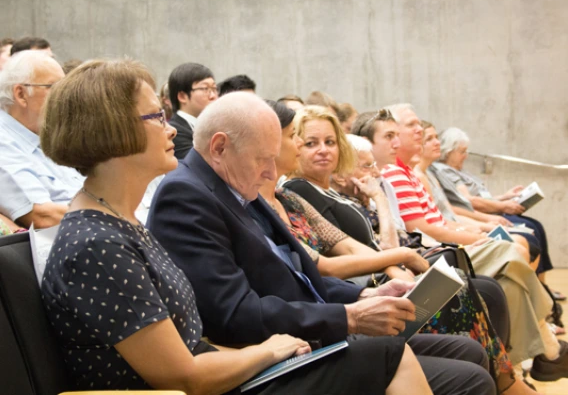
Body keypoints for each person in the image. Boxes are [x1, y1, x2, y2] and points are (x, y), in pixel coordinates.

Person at [40, 58, 423, 395]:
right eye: (156, 116)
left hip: (227, 373)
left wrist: (282, 347)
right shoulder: (97, 244)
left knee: (403, 355)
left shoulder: (118, 225)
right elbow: (186, 377)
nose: (172, 128)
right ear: (112, 130)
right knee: (390, 355)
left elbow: (192, 344)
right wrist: (268, 350)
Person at [148, 92, 497, 395]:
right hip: (281, 353)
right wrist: (349, 317)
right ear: (220, 147)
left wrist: (362, 296)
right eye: (263, 158)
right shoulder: (187, 195)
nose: (272, 172)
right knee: (467, 379)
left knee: (469, 352)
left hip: (315, 330)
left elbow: (298, 275)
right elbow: (235, 314)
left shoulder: (233, 182)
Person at [379, 103, 568, 379]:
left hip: (436, 246)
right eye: (410, 127)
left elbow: (445, 219)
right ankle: (546, 326)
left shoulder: (410, 173)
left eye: (424, 128)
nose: (420, 132)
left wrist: (479, 232)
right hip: (432, 252)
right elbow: (426, 229)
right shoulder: (394, 174)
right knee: (514, 250)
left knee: (508, 282)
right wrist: (478, 234)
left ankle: (521, 367)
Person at [259, 100, 427, 284]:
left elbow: (347, 245)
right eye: (307, 142)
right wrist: (400, 257)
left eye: (330, 142)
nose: (299, 143)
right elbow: (323, 266)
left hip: (358, 284)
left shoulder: (287, 197)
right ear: (269, 145)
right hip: (340, 293)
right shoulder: (292, 190)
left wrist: (394, 266)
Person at [433, 127, 555, 282]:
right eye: (462, 151)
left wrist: (504, 198)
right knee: (528, 234)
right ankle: (538, 285)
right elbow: (469, 202)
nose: (466, 155)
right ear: (448, 151)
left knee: (535, 227)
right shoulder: (442, 172)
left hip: (478, 219)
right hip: (475, 220)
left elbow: (475, 199)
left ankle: (540, 286)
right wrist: (497, 211)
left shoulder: (459, 171)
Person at [0, 50, 83, 228]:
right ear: (21, 94)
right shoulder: (3, 141)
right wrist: (115, 218)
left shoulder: (42, 134)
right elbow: (42, 215)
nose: (65, 97)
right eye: (56, 88)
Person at [167, 62, 218, 159]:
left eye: (214, 88)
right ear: (182, 96)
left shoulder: (213, 125)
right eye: (205, 88)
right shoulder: (175, 132)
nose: (213, 96)